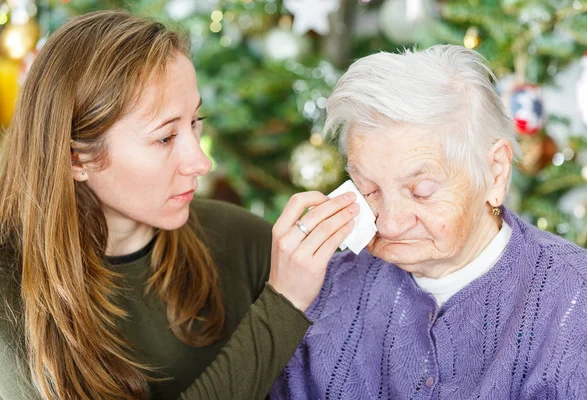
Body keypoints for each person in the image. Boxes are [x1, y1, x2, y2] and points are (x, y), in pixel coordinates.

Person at [0, 11, 358, 400]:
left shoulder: (237, 238)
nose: (200, 162)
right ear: (77, 159)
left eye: (195, 121)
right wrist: (283, 304)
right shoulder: (11, 296)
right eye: (165, 138)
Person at [270, 45, 587, 399]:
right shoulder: (321, 290)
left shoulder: (581, 307)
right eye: (369, 189)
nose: (391, 225)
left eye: (422, 191)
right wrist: (281, 307)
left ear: (495, 172)